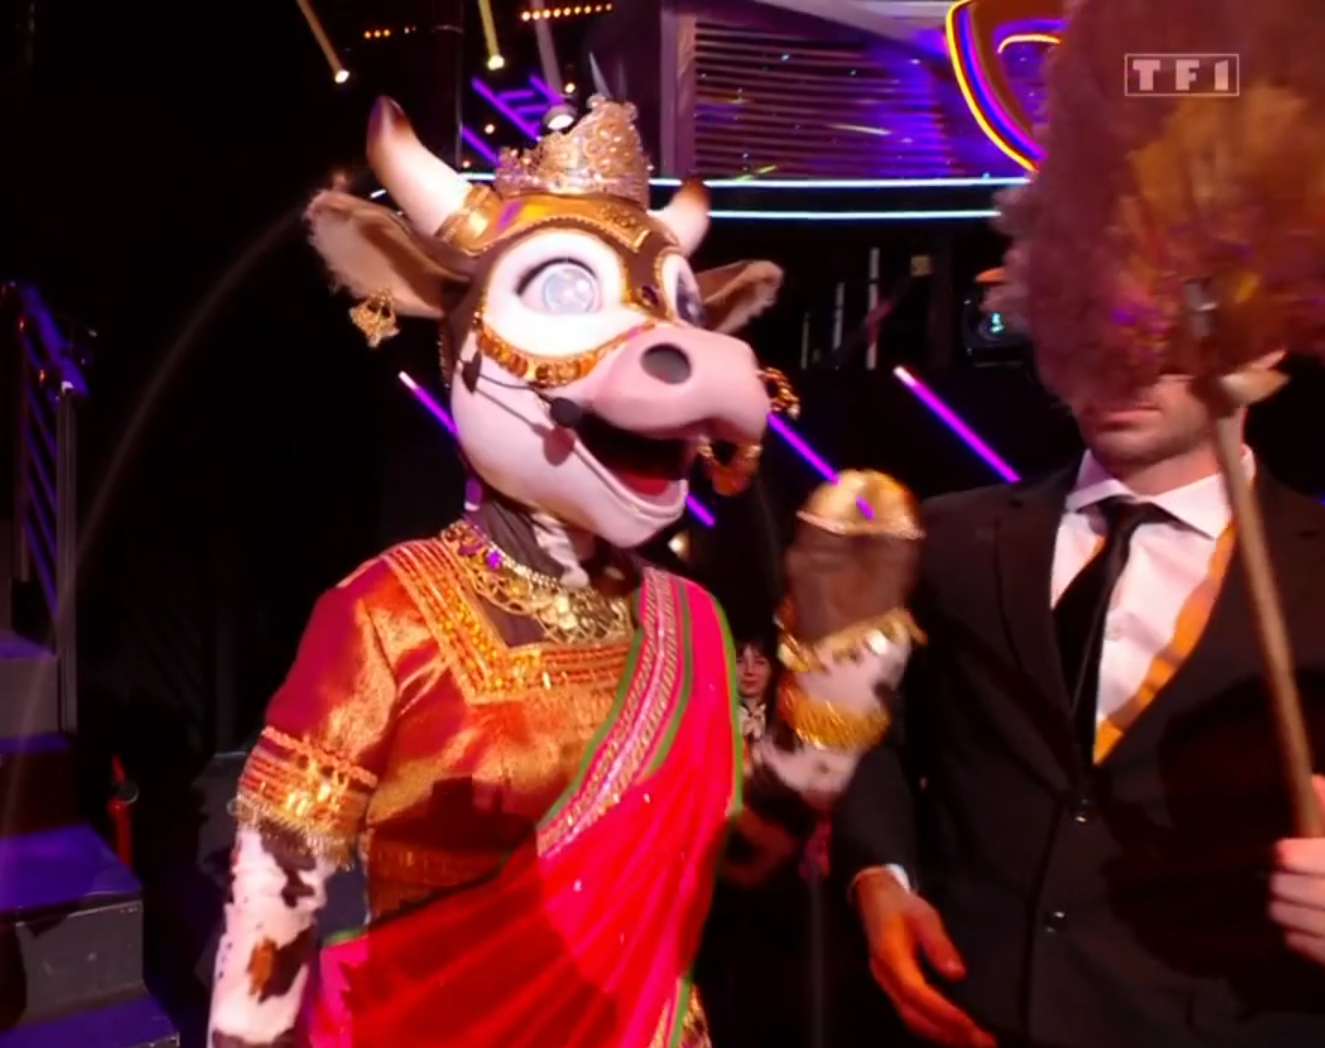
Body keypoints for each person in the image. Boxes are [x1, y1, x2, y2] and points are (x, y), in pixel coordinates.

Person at [206, 97, 920, 1048]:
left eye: (677, 307)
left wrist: (840, 667)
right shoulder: (386, 613)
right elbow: (278, 889)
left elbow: (750, 847)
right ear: (463, 345)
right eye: (565, 293)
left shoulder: (690, 621)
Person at [834, 4, 1325, 1047]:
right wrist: (880, 874)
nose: (1123, 355)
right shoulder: (953, 540)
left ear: (1262, 334)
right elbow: (872, 726)